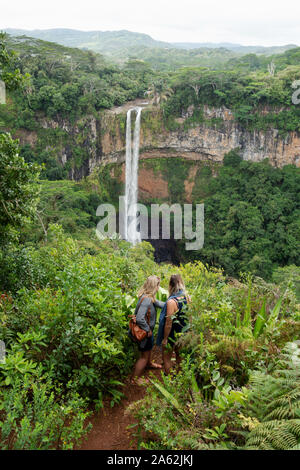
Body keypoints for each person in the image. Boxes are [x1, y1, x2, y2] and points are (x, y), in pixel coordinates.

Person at [130, 275, 165, 384]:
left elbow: (160, 304)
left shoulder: (148, 297)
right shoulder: (146, 300)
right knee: (143, 357)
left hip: (147, 332)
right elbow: (140, 318)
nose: (159, 288)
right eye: (158, 285)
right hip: (144, 333)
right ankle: (134, 379)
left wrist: (174, 303)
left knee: (148, 349)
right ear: (154, 286)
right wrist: (147, 330)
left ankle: (149, 364)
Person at [156, 274, 189, 375]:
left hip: (172, 335)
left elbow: (168, 323)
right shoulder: (187, 297)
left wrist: (165, 339)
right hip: (183, 332)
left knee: (167, 357)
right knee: (180, 357)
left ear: (170, 285)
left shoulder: (171, 301)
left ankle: (169, 380)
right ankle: (179, 379)